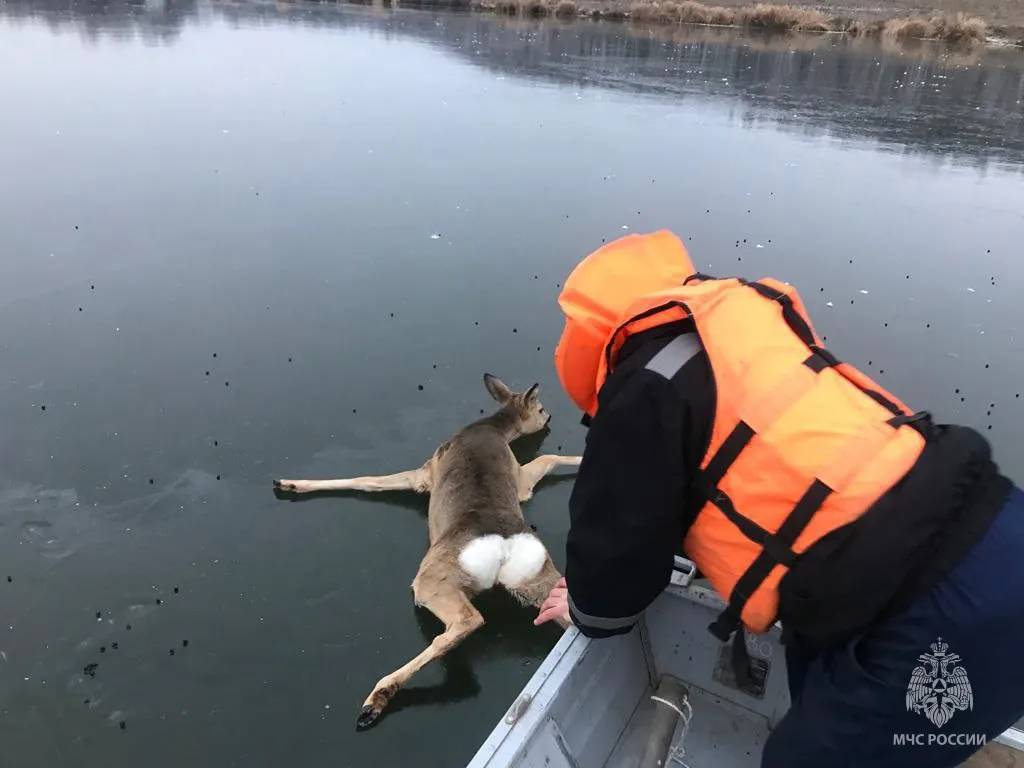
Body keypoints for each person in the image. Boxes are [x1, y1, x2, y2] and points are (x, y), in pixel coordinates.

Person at [533, 229, 1024, 768]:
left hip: (940, 612)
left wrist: (586, 604)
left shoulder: (644, 383)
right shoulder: (745, 326)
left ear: (594, 346)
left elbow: (617, 550)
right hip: (998, 523)